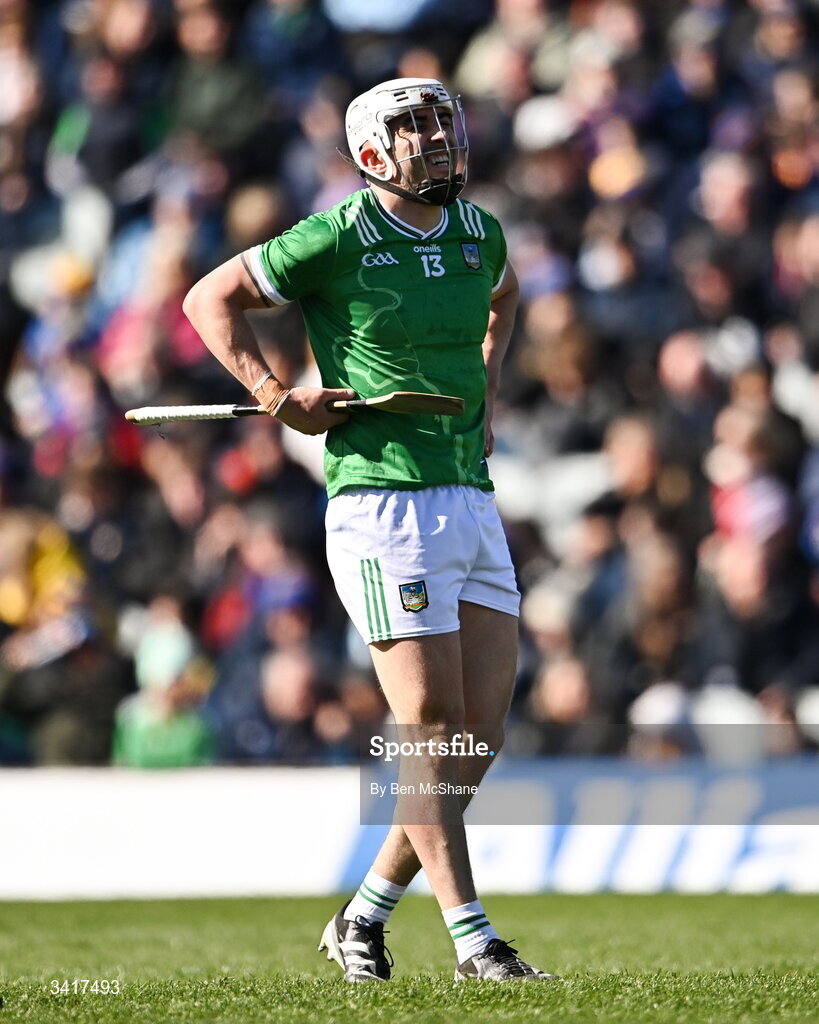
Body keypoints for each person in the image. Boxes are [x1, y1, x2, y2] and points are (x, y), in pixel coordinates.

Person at [183, 77, 558, 983]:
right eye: (411, 128)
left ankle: (362, 914)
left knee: (478, 735)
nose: (434, 139)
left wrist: (488, 385)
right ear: (369, 154)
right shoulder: (338, 234)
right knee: (426, 725)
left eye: (440, 122)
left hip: (468, 491)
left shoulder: (481, 232)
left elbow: (504, 301)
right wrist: (277, 397)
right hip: (382, 501)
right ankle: (475, 942)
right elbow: (208, 300)